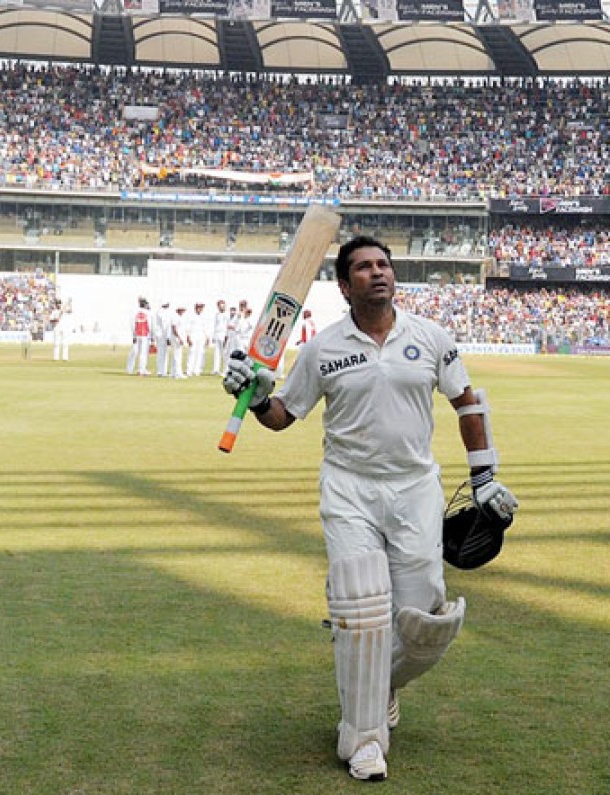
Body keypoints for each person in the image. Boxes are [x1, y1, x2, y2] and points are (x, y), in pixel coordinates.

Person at [222, 236, 518, 782]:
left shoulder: (430, 337)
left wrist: (484, 476)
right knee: (361, 612)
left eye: (383, 264)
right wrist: (259, 398)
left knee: (425, 621)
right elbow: (285, 414)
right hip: (349, 488)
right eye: (363, 267)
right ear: (344, 285)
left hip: (415, 489)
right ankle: (363, 740)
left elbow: (467, 401)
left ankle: (378, 686)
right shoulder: (323, 348)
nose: (378, 272)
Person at [126, 296, 152, 376]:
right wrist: (151, 336)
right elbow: (150, 325)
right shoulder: (147, 312)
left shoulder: (135, 312)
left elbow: (132, 324)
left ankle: (133, 369)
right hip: (144, 335)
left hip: (139, 334)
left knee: (136, 352)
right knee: (142, 353)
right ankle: (141, 370)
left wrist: (133, 335)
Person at [186, 302, 209, 377]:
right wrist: (188, 337)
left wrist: (207, 337)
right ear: (195, 308)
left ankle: (197, 370)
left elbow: (205, 328)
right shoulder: (191, 316)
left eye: (201, 307)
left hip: (201, 336)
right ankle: (189, 370)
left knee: (200, 353)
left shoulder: (204, 316)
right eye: (198, 307)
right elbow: (188, 327)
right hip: (193, 335)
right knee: (192, 352)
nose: (200, 309)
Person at [154, 300, 173, 377]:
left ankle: (160, 371)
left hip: (159, 335)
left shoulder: (158, 312)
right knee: (164, 354)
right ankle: (162, 371)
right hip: (163, 336)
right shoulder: (165, 313)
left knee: (160, 354)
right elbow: (166, 326)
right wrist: (168, 337)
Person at [211, 299, 229, 375]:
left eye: (223, 306)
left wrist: (227, 336)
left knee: (224, 353)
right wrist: (213, 336)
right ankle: (216, 369)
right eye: (220, 306)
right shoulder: (217, 315)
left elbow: (228, 326)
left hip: (224, 335)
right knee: (216, 353)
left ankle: (225, 369)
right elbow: (215, 326)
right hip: (217, 335)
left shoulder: (227, 315)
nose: (221, 307)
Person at [170, 305, 188, 378]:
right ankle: (178, 373)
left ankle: (174, 372)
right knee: (177, 356)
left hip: (179, 338)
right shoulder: (175, 317)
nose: (182, 311)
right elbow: (174, 329)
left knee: (177, 355)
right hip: (176, 338)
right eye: (181, 310)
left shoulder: (181, 317)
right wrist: (179, 338)